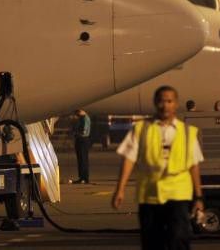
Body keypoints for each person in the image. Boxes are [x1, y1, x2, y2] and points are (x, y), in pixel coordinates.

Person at [112, 85, 204, 250]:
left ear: (176, 104)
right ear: (155, 103)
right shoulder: (141, 129)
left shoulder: (187, 132)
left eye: (169, 101)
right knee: (152, 241)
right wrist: (120, 189)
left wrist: (199, 197)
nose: (165, 105)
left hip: (178, 194)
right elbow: (129, 159)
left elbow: (194, 165)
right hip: (149, 194)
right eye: (161, 101)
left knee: (178, 238)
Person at [71, 109, 91, 184]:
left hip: (82, 140)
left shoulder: (84, 119)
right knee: (81, 159)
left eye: (77, 113)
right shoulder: (83, 118)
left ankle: (84, 177)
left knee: (82, 159)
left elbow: (83, 131)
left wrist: (76, 133)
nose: (76, 115)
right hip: (82, 140)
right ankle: (82, 177)